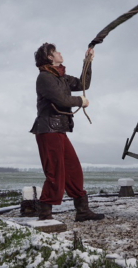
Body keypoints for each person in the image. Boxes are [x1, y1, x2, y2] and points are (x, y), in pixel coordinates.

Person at [30, 43, 105, 222]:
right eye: (55, 52)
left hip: (59, 131)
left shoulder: (61, 76)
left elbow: (83, 83)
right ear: (49, 57)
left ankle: (82, 211)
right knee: (55, 173)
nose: (59, 53)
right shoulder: (45, 78)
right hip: (48, 130)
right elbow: (61, 100)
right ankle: (45, 214)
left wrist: (88, 62)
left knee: (73, 170)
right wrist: (80, 100)